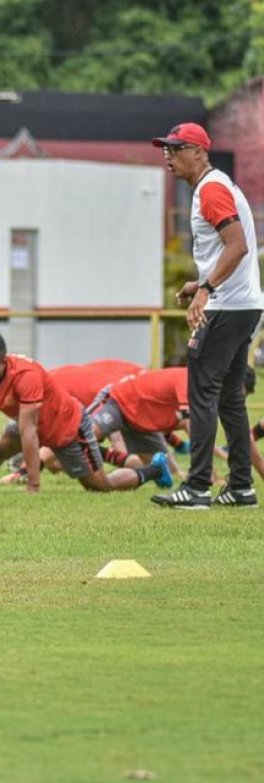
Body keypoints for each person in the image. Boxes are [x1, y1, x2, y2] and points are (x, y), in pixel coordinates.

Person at [149, 122, 263, 508]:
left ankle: (197, 488)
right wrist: (200, 284)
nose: (168, 155)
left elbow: (238, 246)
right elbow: (226, 251)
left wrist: (208, 290)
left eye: (177, 148)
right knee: (230, 398)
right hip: (242, 304)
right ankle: (242, 488)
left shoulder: (211, 190)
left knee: (202, 393)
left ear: (199, 152)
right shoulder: (214, 186)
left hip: (227, 306)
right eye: (166, 148)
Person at [0, 331, 170, 493]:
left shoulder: (26, 375)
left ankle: (155, 470)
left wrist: (33, 485)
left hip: (68, 428)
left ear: (2, 363)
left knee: (99, 487)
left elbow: (29, 432)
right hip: (27, 420)